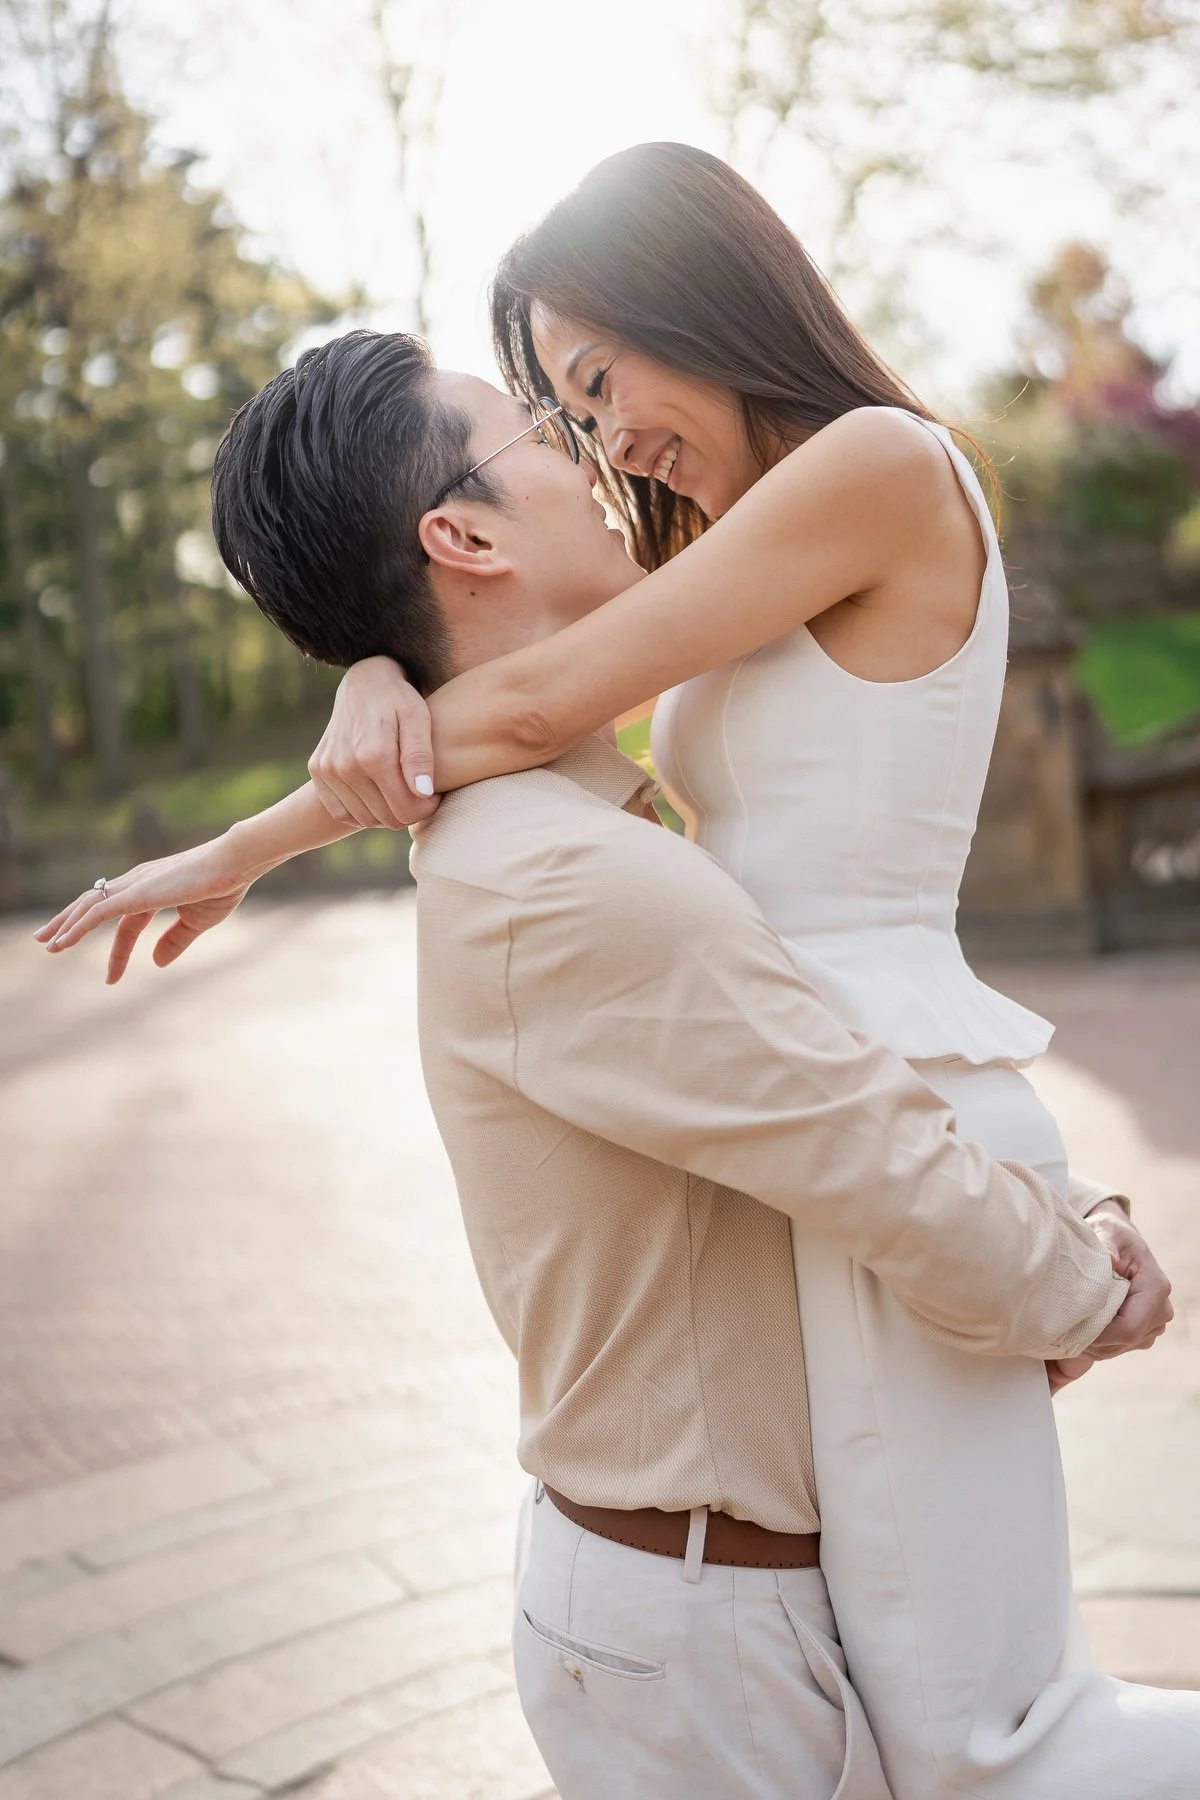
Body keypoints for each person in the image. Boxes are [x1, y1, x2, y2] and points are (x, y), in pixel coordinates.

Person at [36, 331, 1182, 1800]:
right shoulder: (573, 877)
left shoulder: (567, 828)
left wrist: (374, 675)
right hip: (703, 1634)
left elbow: (806, 1081)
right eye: (535, 420)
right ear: (458, 535)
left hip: (705, 1595)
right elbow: (861, 1145)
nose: (585, 451)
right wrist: (1087, 1284)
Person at [296, 148, 1200, 1798]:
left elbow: (513, 691)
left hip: (895, 1105)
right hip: (854, 1124)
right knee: (952, 1732)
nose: (596, 441)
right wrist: (374, 656)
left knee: (991, 1746)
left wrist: (248, 837)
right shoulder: (742, 552)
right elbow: (513, 654)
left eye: (592, 382)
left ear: (690, 297)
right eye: (556, 416)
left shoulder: (871, 464)